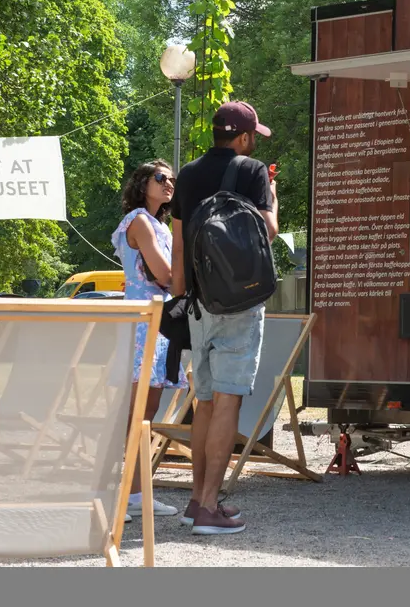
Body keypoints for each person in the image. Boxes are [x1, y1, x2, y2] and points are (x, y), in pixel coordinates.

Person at [171, 101, 278, 535]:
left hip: (197, 302)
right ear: (245, 137)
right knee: (229, 401)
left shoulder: (189, 173)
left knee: (206, 402)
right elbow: (267, 230)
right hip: (239, 302)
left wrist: (180, 301)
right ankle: (210, 507)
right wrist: (273, 197)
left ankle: (197, 501)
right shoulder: (252, 171)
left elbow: (179, 247)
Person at [111, 159, 185, 522]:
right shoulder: (139, 221)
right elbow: (166, 275)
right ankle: (120, 492)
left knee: (148, 412)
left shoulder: (160, 224)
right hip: (143, 323)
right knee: (136, 411)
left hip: (158, 323)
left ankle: (137, 492)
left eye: (172, 179)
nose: (168, 183)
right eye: (160, 178)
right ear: (142, 183)